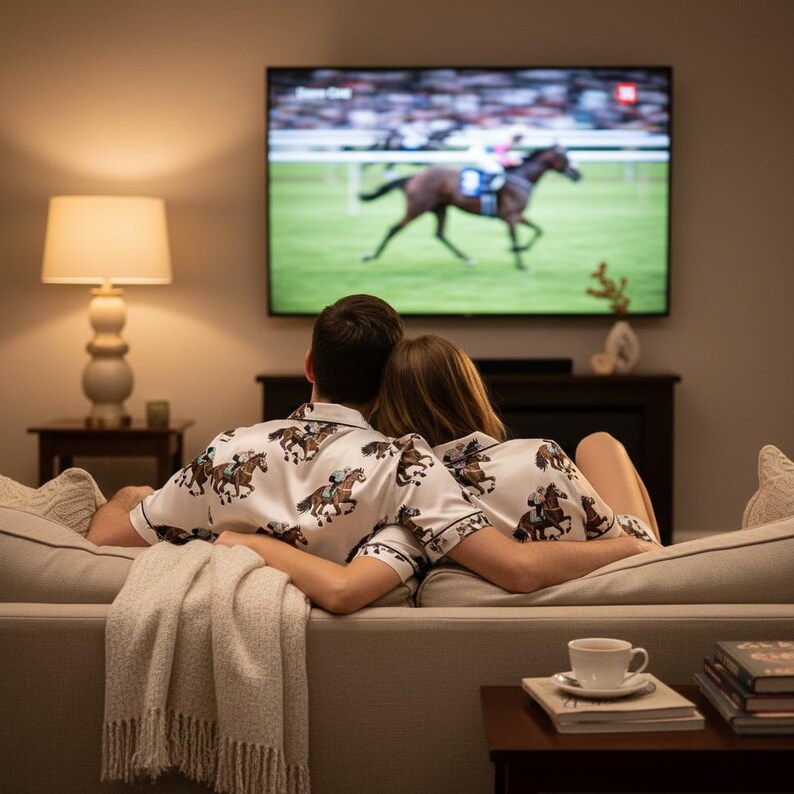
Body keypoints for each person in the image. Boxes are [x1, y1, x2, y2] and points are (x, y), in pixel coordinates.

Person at [88, 296, 652, 614]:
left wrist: (127, 497)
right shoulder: (408, 467)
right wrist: (633, 544)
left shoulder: (228, 450)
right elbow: (515, 569)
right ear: (392, 378)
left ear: (310, 365)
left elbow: (99, 547)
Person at [376, 334, 661, 547]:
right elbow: (627, 545)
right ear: (470, 393)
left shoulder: (407, 491)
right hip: (605, 576)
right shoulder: (542, 453)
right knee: (599, 444)